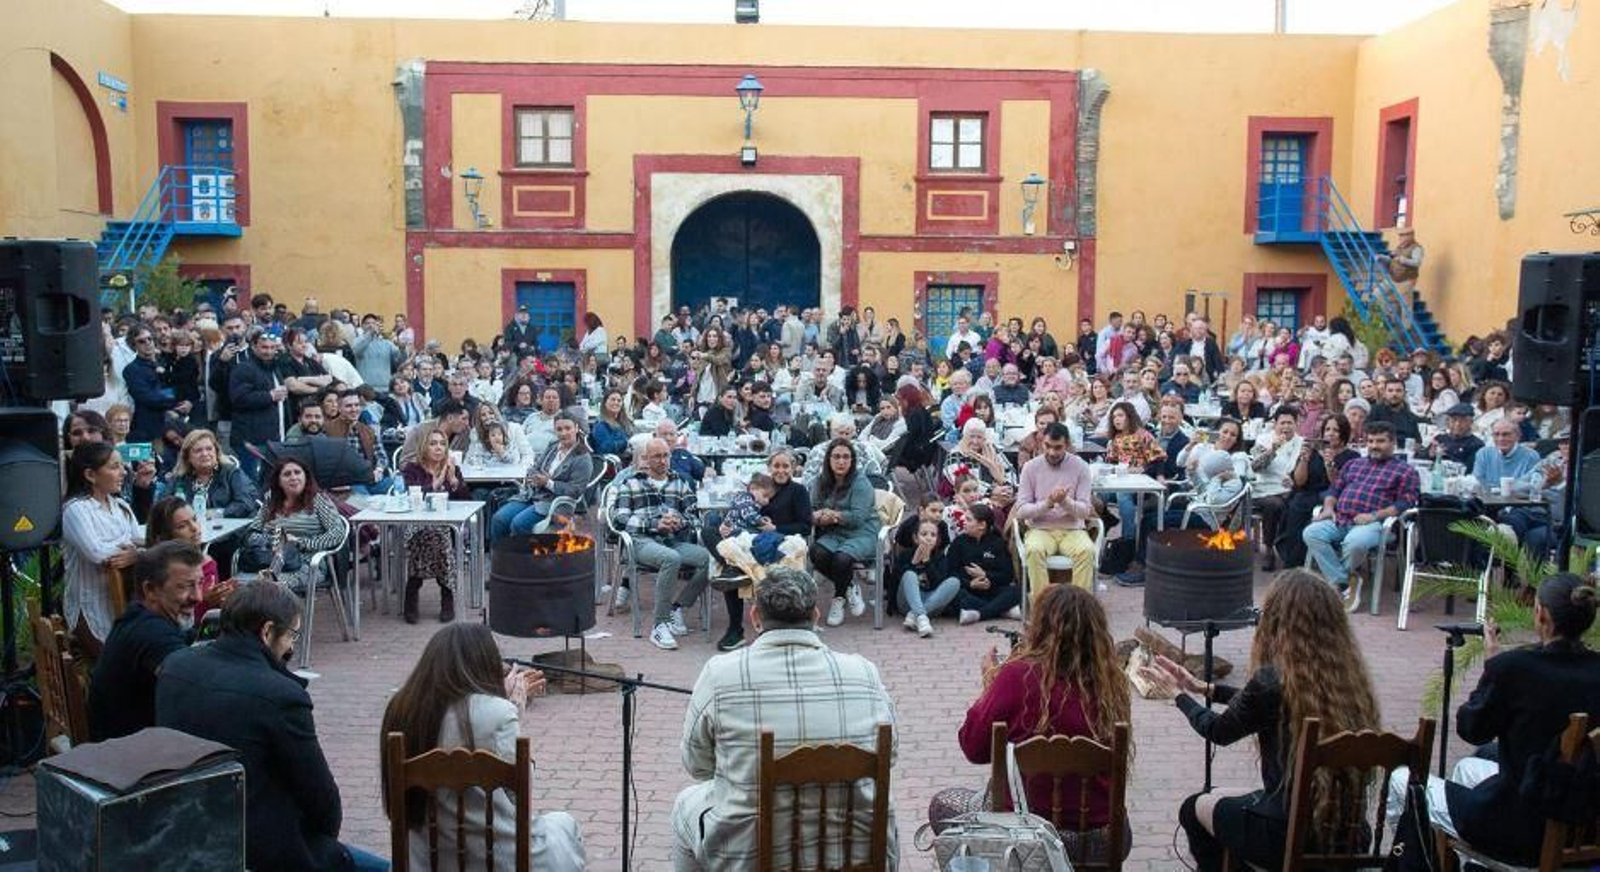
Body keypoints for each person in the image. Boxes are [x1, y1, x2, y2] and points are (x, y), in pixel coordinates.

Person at [1140, 570, 1381, 871]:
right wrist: (1205, 688)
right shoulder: (1351, 684)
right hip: (1347, 835)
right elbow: (1268, 703)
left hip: (1289, 833)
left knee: (1194, 808)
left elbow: (1218, 730)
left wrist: (1178, 695)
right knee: (1217, 797)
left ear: (1277, 623)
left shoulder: (1272, 681)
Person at [672, 567, 898, 870]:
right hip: (858, 855)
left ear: (755, 618)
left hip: (750, 858)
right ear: (816, 616)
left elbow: (697, 766)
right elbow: (890, 755)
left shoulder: (720, 674)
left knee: (686, 803)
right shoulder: (865, 673)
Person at [156, 582, 387, 871]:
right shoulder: (279, 695)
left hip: (188, 834)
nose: (292, 646)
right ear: (267, 632)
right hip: (262, 849)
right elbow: (322, 800)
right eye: (292, 635)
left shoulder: (175, 665)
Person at [1382, 574, 1600, 866]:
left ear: (1542, 614)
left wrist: (1492, 667)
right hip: (1581, 821)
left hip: (1520, 829)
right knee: (1466, 768)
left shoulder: (1514, 668)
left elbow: (1472, 729)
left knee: (1401, 780)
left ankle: (1405, 862)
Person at [380, 623, 586, 871]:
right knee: (564, 824)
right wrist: (513, 710)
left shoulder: (401, 708)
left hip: (423, 861)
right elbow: (520, 792)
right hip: (493, 859)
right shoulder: (498, 712)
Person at [955, 584, 1130, 857]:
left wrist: (990, 689)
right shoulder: (1110, 681)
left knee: (943, 805)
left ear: (1040, 628)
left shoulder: (1016, 676)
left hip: (1026, 833)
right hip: (1101, 837)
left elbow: (973, 748)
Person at [87, 541, 201, 741]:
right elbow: (194, 687)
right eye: (184, 587)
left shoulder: (137, 617)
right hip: (129, 758)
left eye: (199, 583)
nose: (198, 597)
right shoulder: (151, 634)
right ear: (150, 590)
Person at [1302, 422, 1421, 609]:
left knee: (1355, 542)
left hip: (1374, 524)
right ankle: (1344, 581)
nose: (1374, 445)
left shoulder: (1406, 471)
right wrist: (1328, 508)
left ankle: (1337, 583)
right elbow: (1334, 490)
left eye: (1380, 441)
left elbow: (1405, 503)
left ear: (1393, 443)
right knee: (1311, 533)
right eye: (1371, 441)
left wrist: (1374, 516)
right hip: (1340, 518)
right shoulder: (1354, 464)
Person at [611, 438, 712, 651]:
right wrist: (655, 524)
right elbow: (619, 518)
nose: (663, 461)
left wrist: (679, 522)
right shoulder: (631, 483)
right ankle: (660, 625)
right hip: (641, 542)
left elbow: (695, 516)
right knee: (671, 559)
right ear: (646, 459)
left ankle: (678, 607)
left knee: (709, 559)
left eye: (666, 455)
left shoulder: (679, 483)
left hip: (673, 540)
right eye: (657, 456)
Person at [713, 450, 812, 652]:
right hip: (751, 539)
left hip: (780, 542)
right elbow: (741, 513)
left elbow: (805, 527)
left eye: (786, 466)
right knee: (714, 533)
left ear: (793, 468)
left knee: (735, 563)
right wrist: (727, 527)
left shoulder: (798, 491)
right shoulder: (760, 488)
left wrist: (776, 529)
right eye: (776, 466)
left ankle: (776, 626)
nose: (781, 470)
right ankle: (735, 629)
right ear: (769, 467)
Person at [60, 442, 141, 657]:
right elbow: (96, 552)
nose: (123, 472)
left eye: (122, 466)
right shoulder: (75, 510)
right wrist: (131, 551)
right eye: (114, 467)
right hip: (88, 606)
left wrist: (135, 554)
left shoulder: (121, 506)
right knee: (117, 663)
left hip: (123, 600)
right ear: (90, 474)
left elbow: (141, 541)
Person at [400, 425, 472, 623]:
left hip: (446, 526)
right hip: (416, 524)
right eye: (433, 444)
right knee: (433, 537)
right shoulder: (412, 469)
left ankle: (414, 588)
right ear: (424, 446)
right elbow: (410, 495)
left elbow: (466, 500)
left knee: (439, 536)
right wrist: (437, 483)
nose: (438, 448)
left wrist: (454, 481)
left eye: (442, 444)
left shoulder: (452, 468)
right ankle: (445, 592)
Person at [1014, 422, 1097, 593]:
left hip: (1073, 530)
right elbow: (1021, 510)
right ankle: (1043, 608)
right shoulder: (1030, 467)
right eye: (1048, 446)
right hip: (1040, 529)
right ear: (1041, 443)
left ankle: (1078, 609)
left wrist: (1065, 501)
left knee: (1087, 550)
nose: (1052, 452)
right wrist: (1048, 504)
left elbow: (1085, 511)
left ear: (1067, 445)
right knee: (1034, 550)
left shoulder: (1081, 466)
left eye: (1058, 447)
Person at [809, 438, 883, 628]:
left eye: (845, 457)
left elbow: (858, 517)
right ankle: (849, 584)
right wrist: (818, 516)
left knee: (842, 560)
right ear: (828, 459)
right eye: (836, 457)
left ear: (852, 460)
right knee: (817, 552)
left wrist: (833, 515)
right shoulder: (820, 481)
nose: (841, 461)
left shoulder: (861, 482)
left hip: (862, 531)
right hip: (835, 532)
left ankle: (839, 598)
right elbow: (812, 508)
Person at [247, 457, 346, 595]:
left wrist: (300, 543)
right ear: (279, 481)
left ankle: (280, 616)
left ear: (305, 476)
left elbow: (337, 533)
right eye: (287, 474)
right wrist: (273, 540)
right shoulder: (271, 500)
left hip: (307, 564)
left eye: (297, 472)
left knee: (268, 587)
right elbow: (252, 531)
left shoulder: (317, 500)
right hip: (270, 561)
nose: (293, 477)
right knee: (239, 585)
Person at [490, 412, 594, 542]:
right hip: (532, 495)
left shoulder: (582, 458)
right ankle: (500, 559)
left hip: (553, 502)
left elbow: (575, 491)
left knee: (519, 524)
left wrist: (548, 483)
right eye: (559, 429)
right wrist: (534, 478)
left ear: (576, 428)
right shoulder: (553, 447)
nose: (563, 433)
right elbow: (535, 467)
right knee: (499, 519)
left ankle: (524, 560)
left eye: (568, 428)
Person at [945, 503, 1020, 624]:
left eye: (969, 519)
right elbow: (950, 573)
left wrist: (986, 575)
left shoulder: (997, 543)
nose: (964, 521)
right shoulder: (958, 543)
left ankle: (979, 614)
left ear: (982, 525)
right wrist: (970, 584)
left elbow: (1007, 574)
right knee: (955, 596)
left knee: (1016, 591)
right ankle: (1002, 610)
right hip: (968, 591)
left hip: (991, 589)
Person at [229, 327, 289, 479]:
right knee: (251, 483)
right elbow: (238, 398)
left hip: (273, 438)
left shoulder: (274, 368)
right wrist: (269, 396)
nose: (268, 352)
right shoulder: (244, 368)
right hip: (252, 440)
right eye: (264, 347)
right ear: (253, 347)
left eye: (272, 347)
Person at [1249, 408, 1304, 571]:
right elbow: (1256, 467)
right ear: (1275, 424)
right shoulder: (1263, 440)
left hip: (1291, 488)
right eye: (1282, 423)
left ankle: (1293, 550)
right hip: (1264, 488)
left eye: (1290, 423)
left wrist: (1294, 479)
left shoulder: (1302, 443)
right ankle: (1269, 548)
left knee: (1297, 504)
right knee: (1275, 505)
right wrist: (1272, 450)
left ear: (1296, 424)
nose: (1286, 427)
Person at [1470, 419, 1540, 492]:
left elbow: (1532, 486)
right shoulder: (1484, 454)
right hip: (1489, 501)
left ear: (1518, 436)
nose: (1501, 439)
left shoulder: (1531, 456)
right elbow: (1477, 482)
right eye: (1496, 434)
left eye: (1506, 434)